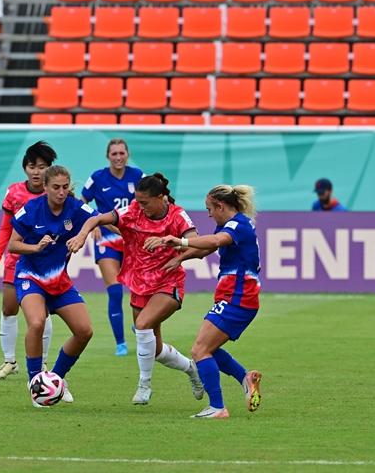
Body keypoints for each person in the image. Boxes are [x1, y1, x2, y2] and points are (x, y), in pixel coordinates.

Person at [68, 173, 204, 406]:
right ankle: (192, 370)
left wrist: (173, 248)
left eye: (144, 202)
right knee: (156, 349)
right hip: (140, 285)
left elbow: (198, 244)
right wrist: (82, 234)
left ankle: (144, 385)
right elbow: (98, 219)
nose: (139, 207)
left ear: (160, 198)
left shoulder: (177, 215)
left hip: (168, 283)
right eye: (137, 202)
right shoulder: (133, 211)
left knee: (141, 327)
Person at [151, 185, 262, 419]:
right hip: (235, 297)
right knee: (208, 349)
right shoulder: (232, 224)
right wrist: (180, 257)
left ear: (220, 206)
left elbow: (214, 241)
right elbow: (206, 248)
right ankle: (245, 377)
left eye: (210, 209)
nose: (209, 214)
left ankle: (218, 407)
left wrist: (180, 242)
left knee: (199, 350)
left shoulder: (237, 227)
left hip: (238, 298)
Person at [8, 165, 98, 407]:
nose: (61, 192)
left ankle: (56, 379)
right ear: (45, 187)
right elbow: (13, 246)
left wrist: (84, 233)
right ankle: (36, 384)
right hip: (30, 277)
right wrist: (35, 247)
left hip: (59, 281)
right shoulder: (32, 209)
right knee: (36, 323)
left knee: (85, 331)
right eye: (56, 187)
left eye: (65, 187)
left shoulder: (75, 207)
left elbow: (97, 217)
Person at [0, 141, 58, 380]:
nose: (37, 171)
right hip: (16, 260)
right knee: (8, 308)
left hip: (44, 264)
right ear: (25, 168)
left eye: (42, 166)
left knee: (41, 314)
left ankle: (43, 363)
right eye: (32, 166)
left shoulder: (54, 192)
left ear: (49, 169)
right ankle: (9, 362)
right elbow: (6, 228)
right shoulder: (14, 192)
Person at [80, 139, 144, 357]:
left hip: (132, 240)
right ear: (108, 156)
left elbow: (153, 199)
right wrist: (94, 221)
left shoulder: (138, 176)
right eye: (114, 153)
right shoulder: (97, 178)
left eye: (121, 153)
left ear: (127, 155)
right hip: (107, 239)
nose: (118, 157)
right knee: (115, 291)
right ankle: (121, 344)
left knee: (141, 288)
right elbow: (81, 202)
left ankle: (141, 323)